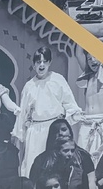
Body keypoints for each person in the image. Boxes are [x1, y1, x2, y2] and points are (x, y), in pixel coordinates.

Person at [13, 48, 81, 179]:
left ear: (49, 63)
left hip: (54, 130)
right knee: (34, 165)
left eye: (45, 61)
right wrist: (19, 134)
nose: (41, 65)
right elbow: (23, 113)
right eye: (38, 62)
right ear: (34, 65)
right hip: (35, 131)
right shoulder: (29, 86)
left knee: (55, 165)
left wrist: (69, 118)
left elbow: (70, 104)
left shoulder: (58, 80)